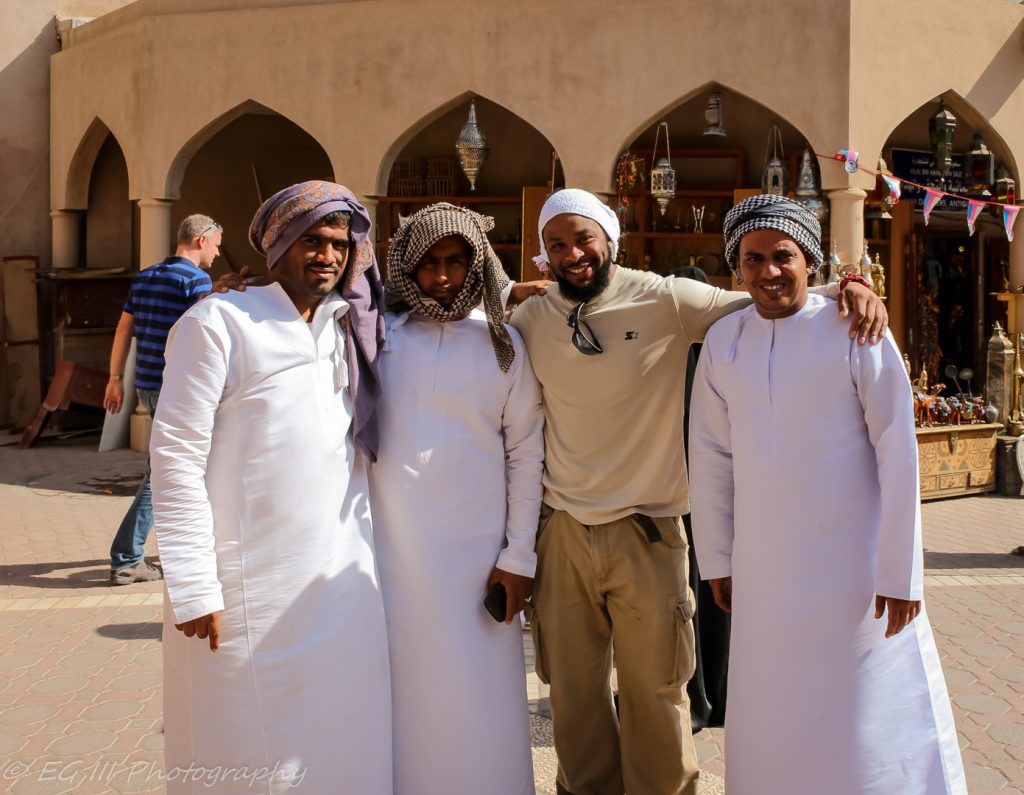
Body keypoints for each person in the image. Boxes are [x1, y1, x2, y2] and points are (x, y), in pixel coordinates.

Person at [507, 188, 887, 795]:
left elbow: (767, 296)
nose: (572, 254)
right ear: (543, 254)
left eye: (584, 239)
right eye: (556, 244)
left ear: (610, 239)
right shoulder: (530, 319)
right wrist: (507, 291)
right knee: (572, 697)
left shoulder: (665, 297)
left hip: (650, 531)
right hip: (564, 533)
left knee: (657, 692)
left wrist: (849, 286)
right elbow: (462, 313)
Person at [688, 194, 966, 795]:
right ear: (736, 267)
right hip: (765, 575)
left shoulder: (854, 327)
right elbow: (710, 456)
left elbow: (898, 451)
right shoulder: (723, 341)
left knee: (864, 714)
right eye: (753, 258)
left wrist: (901, 573)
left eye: (782, 255)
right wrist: (717, 558)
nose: (769, 271)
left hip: (856, 574)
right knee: (774, 711)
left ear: (808, 259)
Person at [150, 181, 391, 793]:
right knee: (242, 751)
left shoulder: (349, 326)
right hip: (243, 588)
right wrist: (192, 581)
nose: (328, 256)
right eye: (311, 241)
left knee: (341, 742)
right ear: (276, 245)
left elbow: (444, 296)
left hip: (337, 589)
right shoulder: (218, 323)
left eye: (340, 244)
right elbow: (175, 453)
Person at [372, 203, 544, 794]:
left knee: (479, 697)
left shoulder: (503, 345)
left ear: (477, 265)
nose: (442, 276)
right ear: (407, 267)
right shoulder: (378, 340)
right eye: (429, 263)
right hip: (389, 557)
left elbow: (525, 452)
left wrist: (518, 554)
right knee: (400, 697)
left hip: (479, 559)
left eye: (455, 261)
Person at [102, 214, 220, 585]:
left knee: (170, 470)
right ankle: (127, 558)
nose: (217, 253)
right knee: (166, 475)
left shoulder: (146, 276)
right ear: (201, 240)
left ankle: (170, 552)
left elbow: (124, 329)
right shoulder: (196, 280)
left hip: (148, 386)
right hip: (179, 390)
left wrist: (115, 378)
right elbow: (204, 337)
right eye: (216, 244)